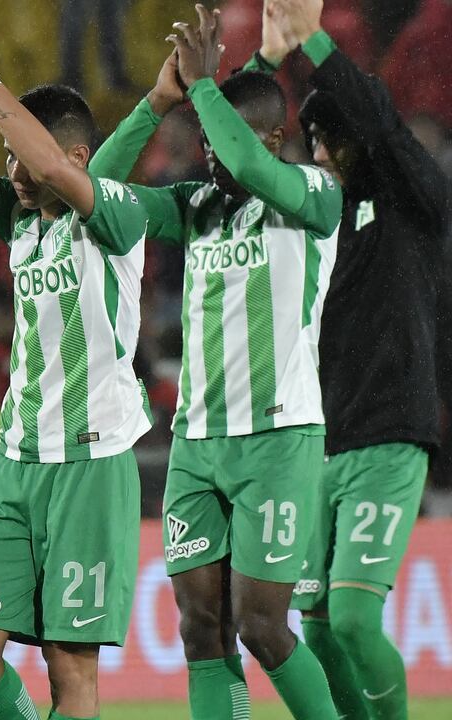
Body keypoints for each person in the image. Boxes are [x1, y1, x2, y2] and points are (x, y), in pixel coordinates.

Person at [0, 1, 169, 716]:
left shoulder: (116, 214)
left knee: (70, 667)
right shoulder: (21, 221)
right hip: (17, 466)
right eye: (9, 159)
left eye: (22, 155)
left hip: (89, 462)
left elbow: (49, 161)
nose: (14, 170)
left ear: (78, 160)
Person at [96, 6, 343, 718]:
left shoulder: (314, 199)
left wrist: (206, 87)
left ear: (272, 138)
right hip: (197, 449)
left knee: (262, 626)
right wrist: (159, 103)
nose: (207, 153)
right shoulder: (197, 206)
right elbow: (94, 195)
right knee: (202, 630)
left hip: (278, 440)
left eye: (219, 138)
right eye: (202, 141)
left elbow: (243, 161)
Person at [254, 2, 452, 718]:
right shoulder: (313, 218)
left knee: (354, 622)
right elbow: (244, 158)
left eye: (327, 137)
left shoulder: (409, 196)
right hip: (319, 443)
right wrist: (266, 60)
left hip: (389, 438)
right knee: (312, 625)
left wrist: (313, 38)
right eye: (309, 139)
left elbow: (380, 121)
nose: (317, 152)